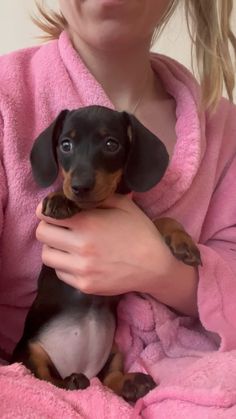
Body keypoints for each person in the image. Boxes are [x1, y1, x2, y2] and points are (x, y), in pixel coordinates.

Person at [0, 0, 236, 415]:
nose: (83, 175)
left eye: (109, 146)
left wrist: (166, 272)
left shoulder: (225, 131)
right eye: (68, 147)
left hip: (171, 366)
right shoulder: (8, 97)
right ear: (55, 150)